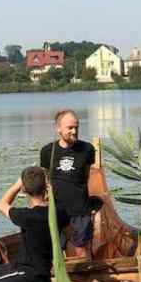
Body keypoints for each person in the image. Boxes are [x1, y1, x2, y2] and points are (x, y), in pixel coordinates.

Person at [0, 166, 68, 282]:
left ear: (24, 189)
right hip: (39, 273)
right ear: (46, 186)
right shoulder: (59, 213)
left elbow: (2, 204)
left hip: (29, 275)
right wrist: (48, 187)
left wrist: (17, 184)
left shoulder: (27, 216)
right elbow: (55, 204)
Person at [39, 109, 97, 259]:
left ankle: (86, 280)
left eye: (76, 127)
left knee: (82, 250)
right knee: (55, 250)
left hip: (80, 209)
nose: (74, 131)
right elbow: (46, 179)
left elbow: (85, 176)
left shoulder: (87, 149)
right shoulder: (47, 151)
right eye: (70, 127)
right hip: (56, 209)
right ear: (58, 128)